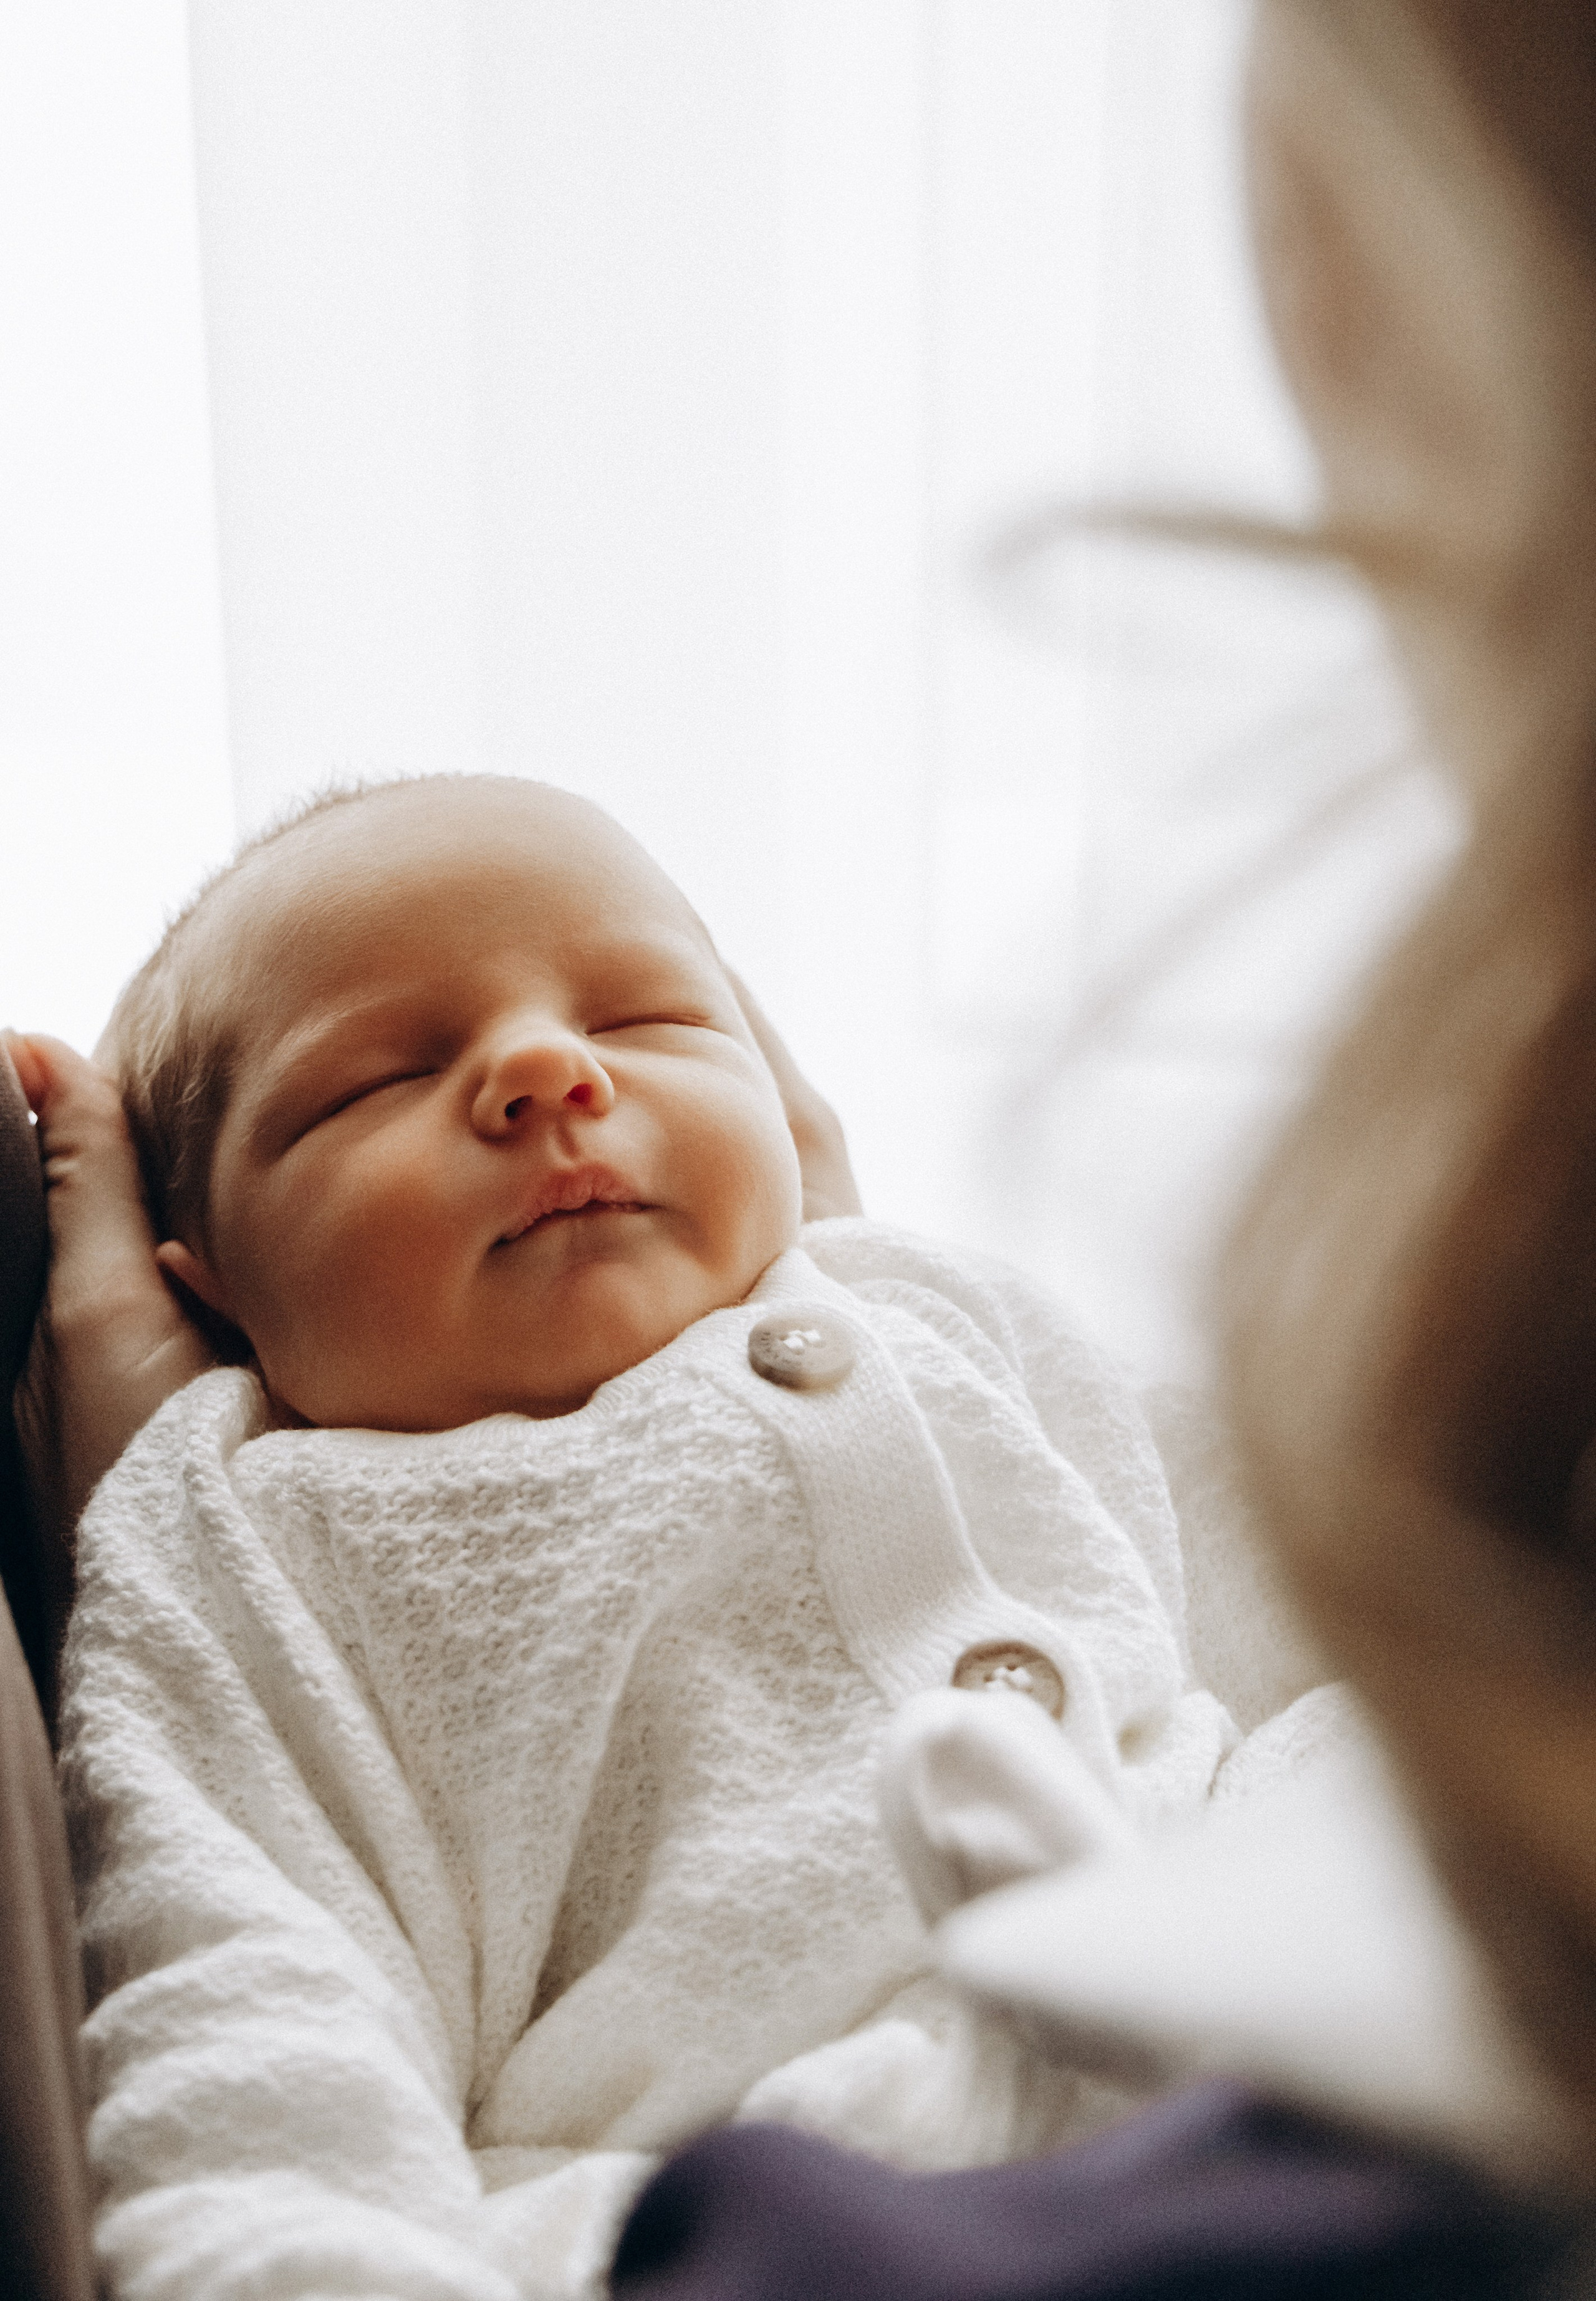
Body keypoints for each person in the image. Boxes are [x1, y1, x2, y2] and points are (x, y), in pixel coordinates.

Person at [31, 771, 1325, 2301]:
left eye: (645, 1017)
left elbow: (1325, 1587)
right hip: (773, 2191)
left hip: (1258, 2027)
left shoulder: (928, 1312)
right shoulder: (255, 1550)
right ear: (212, 1282)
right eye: (371, 1082)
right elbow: (258, 2010)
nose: (545, 1065)